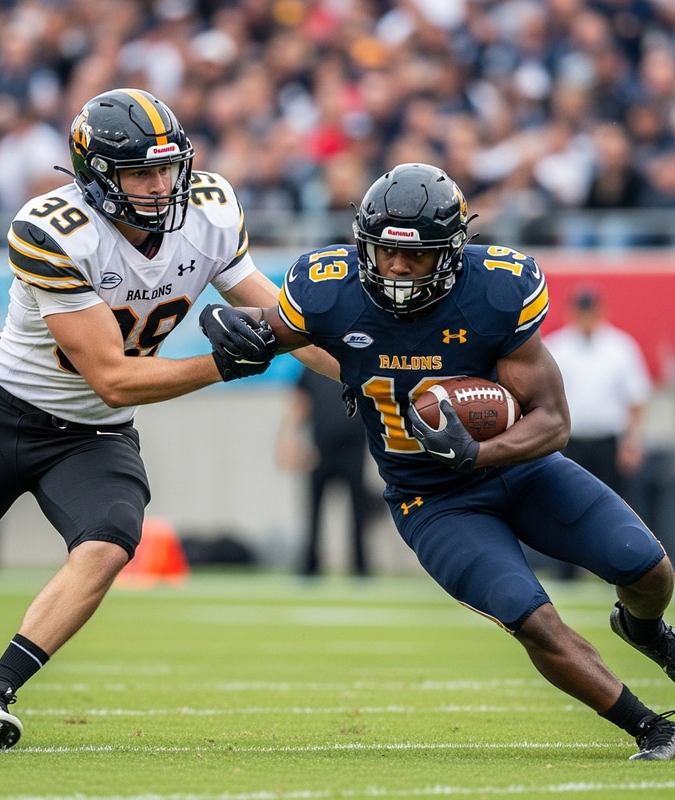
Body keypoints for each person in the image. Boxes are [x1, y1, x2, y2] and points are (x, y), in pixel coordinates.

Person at [0, 87, 336, 750]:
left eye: (166, 168)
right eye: (138, 173)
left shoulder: (208, 209)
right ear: (95, 177)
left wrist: (370, 376)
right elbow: (115, 378)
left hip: (91, 436)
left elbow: (281, 317)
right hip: (3, 414)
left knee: (110, 540)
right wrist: (226, 363)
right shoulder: (51, 230)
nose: (158, 186)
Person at [203, 162, 675, 761]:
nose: (397, 268)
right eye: (384, 253)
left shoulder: (495, 290)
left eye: (417, 256)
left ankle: (642, 629)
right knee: (532, 618)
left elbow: (554, 421)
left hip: (522, 472)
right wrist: (228, 326)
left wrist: (480, 451)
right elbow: (263, 328)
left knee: (648, 566)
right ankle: (651, 728)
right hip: (434, 500)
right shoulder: (330, 289)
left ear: (451, 251)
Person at [540, 287, 653, 579]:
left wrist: (632, 441)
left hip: (607, 440)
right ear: (573, 312)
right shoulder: (557, 347)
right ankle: (565, 571)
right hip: (568, 439)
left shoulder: (620, 347)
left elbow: (636, 399)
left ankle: (617, 565)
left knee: (615, 507)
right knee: (564, 504)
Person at [276, 366, 371, 576]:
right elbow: (300, 402)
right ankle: (310, 564)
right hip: (320, 450)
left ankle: (361, 567)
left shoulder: (355, 363)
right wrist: (289, 437)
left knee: (358, 510)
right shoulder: (312, 368)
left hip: (354, 450)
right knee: (313, 509)